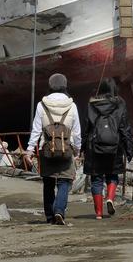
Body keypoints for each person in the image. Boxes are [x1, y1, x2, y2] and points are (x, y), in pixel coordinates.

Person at [24, 73, 81, 225]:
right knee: (64, 181)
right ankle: (59, 211)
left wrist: (29, 150)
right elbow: (77, 132)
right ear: (65, 86)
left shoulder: (41, 105)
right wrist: (77, 150)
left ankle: (49, 217)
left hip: (46, 149)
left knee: (48, 182)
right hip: (66, 149)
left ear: (49, 86)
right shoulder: (72, 106)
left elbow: (36, 129)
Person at [82, 78, 133, 219]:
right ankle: (110, 198)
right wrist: (129, 149)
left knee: (96, 179)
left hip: (94, 146)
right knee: (112, 175)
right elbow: (125, 128)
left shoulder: (91, 103)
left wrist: (82, 148)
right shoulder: (120, 103)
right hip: (114, 146)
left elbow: (87, 127)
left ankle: (98, 213)